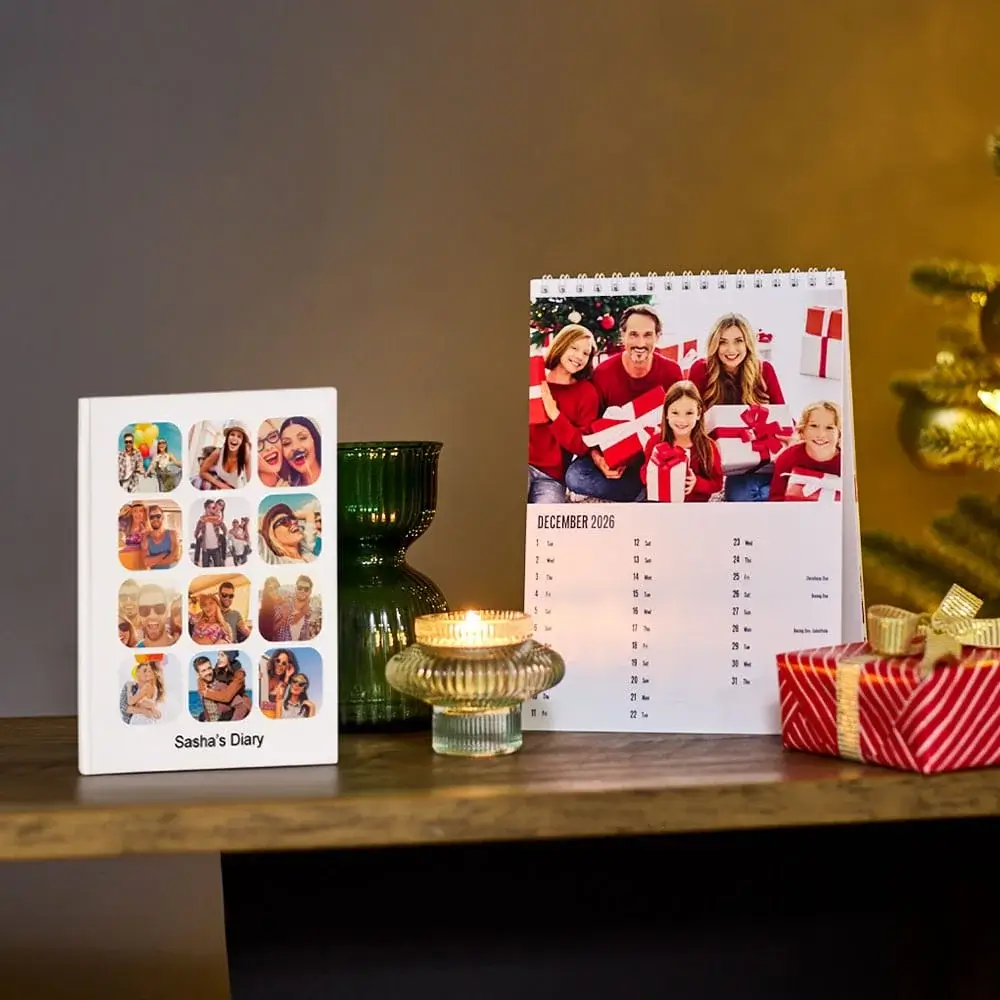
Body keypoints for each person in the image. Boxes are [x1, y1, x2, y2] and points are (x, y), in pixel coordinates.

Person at [564, 305, 683, 502]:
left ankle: (645, 487)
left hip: (654, 454)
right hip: (613, 451)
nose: (640, 343)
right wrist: (599, 459)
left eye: (648, 335)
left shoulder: (672, 372)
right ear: (623, 336)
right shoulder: (603, 373)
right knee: (575, 477)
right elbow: (589, 426)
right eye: (634, 334)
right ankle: (642, 492)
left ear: (658, 337)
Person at [688, 313, 787, 502]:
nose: (731, 349)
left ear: (747, 343)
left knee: (752, 494)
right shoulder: (700, 370)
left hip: (754, 456)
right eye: (723, 342)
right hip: (715, 456)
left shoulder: (764, 370)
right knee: (739, 497)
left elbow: (782, 415)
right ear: (714, 344)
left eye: (738, 341)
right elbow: (689, 416)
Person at [527, 324, 599, 503]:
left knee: (547, 525)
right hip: (521, 465)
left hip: (551, 477)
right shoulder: (534, 378)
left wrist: (554, 413)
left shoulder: (587, 392)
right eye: (574, 348)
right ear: (561, 346)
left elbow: (582, 446)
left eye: (585, 353)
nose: (579, 356)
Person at [640, 381, 723, 502]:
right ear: (666, 413)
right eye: (675, 413)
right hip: (661, 504)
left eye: (689, 413)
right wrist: (654, 472)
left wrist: (697, 483)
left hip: (694, 508)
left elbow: (718, 483)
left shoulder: (708, 446)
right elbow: (644, 475)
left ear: (699, 413)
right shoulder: (655, 443)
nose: (682, 420)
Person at [770, 401, 842, 501]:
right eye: (813, 426)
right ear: (802, 432)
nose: (821, 434)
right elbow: (775, 499)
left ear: (839, 435)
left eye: (829, 427)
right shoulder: (788, 457)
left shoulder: (848, 464)